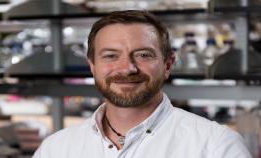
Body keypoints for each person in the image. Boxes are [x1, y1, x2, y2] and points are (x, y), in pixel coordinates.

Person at [33, 10, 251, 158]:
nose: (127, 68)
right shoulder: (55, 149)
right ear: (92, 66)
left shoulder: (216, 146)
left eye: (143, 55)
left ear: (168, 64)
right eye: (110, 56)